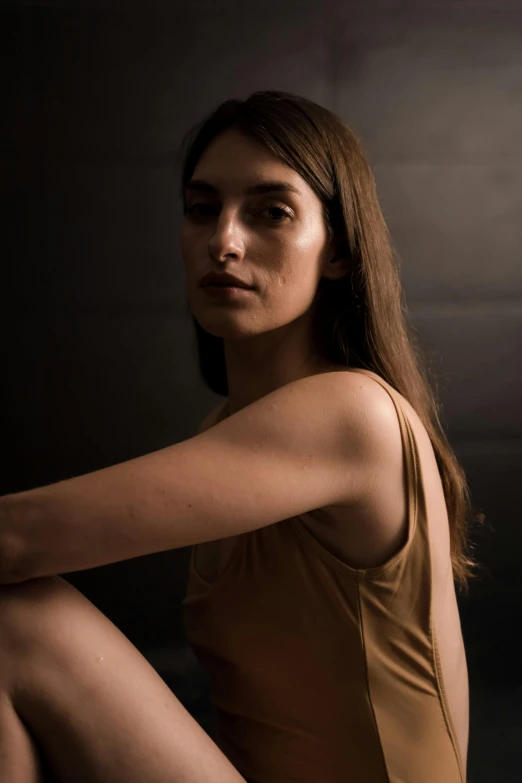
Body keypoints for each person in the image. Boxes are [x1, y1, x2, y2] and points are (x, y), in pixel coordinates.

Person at [0, 90, 483, 782]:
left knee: (15, 618)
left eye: (270, 212)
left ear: (340, 249)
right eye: (203, 209)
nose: (223, 240)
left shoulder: (353, 414)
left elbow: (17, 537)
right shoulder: (222, 434)